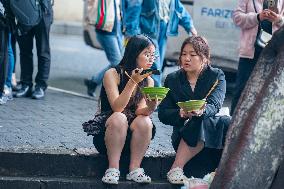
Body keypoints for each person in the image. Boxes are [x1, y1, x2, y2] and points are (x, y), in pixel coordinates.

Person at [82, 35, 160, 184]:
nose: (151, 59)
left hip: (133, 139)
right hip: (108, 135)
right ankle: (113, 169)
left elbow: (139, 111)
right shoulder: (113, 73)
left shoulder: (148, 79)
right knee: (119, 117)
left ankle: (135, 169)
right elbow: (117, 107)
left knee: (145, 121)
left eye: (153, 55)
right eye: (146, 54)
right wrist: (132, 82)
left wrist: (152, 106)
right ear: (134, 54)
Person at [158, 36, 231, 184]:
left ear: (204, 57)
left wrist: (201, 111)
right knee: (199, 120)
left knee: (225, 120)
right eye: (184, 54)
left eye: (192, 55)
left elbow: (215, 105)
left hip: (211, 136)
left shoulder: (216, 75)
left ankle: (226, 169)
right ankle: (175, 168)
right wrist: (181, 113)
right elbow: (163, 113)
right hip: (184, 136)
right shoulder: (172, 79)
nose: (186, 58)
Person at [122, 0, 197, 87]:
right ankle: (156, 94)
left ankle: (146, 93)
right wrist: (132, 32)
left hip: (163, 33)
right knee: (154, 66)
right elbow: (134, 7)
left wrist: (190, 26)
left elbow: (178, 8)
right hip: (147, 32)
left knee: (151, 66)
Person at [230, 0, 284, 115]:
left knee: (266, 94)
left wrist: (279, 20)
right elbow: (237, 18)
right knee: (241, 91)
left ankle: (252, 129)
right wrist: (257, 17)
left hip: (272, 54)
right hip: (250, 53)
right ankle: (230, 127)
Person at [14, 0, 53, 99]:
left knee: (43, 51)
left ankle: (40, 86)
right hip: (24, 10)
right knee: (24, 51)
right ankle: (26, 84)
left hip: (43, 10)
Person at [84, 0, 124, 97]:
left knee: (120, 62)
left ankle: (93, 82)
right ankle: (114, 91)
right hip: (106, 32)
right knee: (118, 63)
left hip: (117, 31)